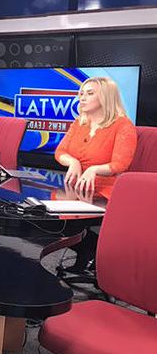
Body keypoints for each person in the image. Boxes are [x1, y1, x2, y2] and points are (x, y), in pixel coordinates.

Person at [54, 76, 137, 273]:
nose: (82, 97)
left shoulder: (123, 126)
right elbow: (60, 152)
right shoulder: (79, 123)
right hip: (77, 189)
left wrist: (94, 169)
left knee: (65, 222)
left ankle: (92, 248)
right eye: (81, 93)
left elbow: (121, 164)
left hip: (107, 193)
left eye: (90, 93)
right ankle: (88, 249)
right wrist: (72, 161)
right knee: (44, 215)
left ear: (106, 98)